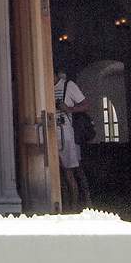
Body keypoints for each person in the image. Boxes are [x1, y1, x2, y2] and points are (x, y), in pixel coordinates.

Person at [53, 65, 92, 212]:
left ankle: (76, 205)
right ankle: (61, 204)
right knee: (59, 172)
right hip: (52, 133)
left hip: (66, 134)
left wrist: (68, 109)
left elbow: (86, 105)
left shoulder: (68, 86)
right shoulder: (43, 88)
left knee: (72, 170)